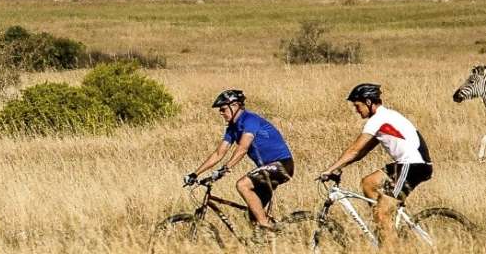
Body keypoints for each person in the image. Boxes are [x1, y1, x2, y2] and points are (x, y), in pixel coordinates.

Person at [318, 83, 432, 249]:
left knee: (382, 212)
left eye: (357, 106)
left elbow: (354, 149)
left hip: (413, 165)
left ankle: (390, 244)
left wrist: (329, 169)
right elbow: (361, 152)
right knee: (368, 183)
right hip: (405, 164)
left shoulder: (378, 119)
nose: (356, 110)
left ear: (369, 102)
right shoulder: (384, 118)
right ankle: (384, 227)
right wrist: (339, 168)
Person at [183, 89, 294, 232]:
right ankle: (266, 241)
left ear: (234, 105)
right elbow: (219, 153)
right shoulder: (232, 129)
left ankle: (266, 226)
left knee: (242, 185)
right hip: (267, 169)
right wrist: (195, 174)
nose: (221, 113)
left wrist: (225, 168)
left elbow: (243, 148)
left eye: (223, 109)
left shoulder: (250, 120)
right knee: (253, 215)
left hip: (282, 165)